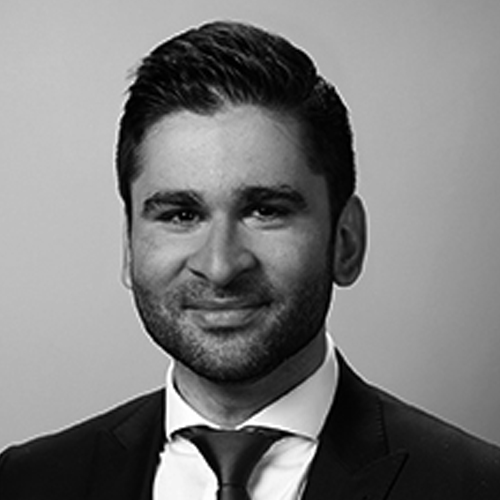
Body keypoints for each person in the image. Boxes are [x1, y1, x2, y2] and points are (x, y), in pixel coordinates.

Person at [1, 20, 499, 500]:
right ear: (129, 248)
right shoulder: (24, 483)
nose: (220, 266)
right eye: (180, 215)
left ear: (346, 241)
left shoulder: (477, 486)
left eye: (266, 211)